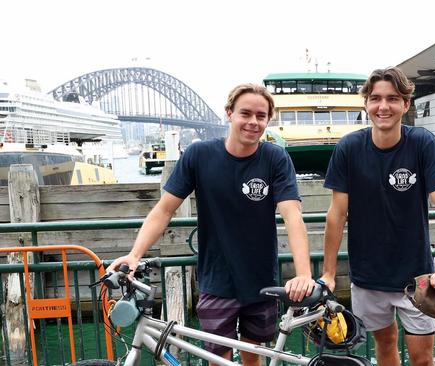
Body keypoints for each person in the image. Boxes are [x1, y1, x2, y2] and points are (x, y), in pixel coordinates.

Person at [108, 83, 314, 366]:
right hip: (216, 280)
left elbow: (292, 216)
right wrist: (135, 254)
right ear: (229, 113)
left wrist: (303, 274)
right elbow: (164, 210)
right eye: (245, 113)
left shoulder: (274, 158)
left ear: (268, 120)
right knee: (218, 359)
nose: (253, 122)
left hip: (261, 279)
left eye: (261, 116)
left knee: (254, 355)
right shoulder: (199, 155)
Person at [319, 67, 435, 366]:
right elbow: (336, 214)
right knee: (384, 348)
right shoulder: (348, 148)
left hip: (418, 278)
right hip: (367, 276)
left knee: (422, 359)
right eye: (375, 98)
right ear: (366, 103)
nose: (383, 106)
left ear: (406, 104)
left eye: (392, 98)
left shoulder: (422, 143)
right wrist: (329, 274)